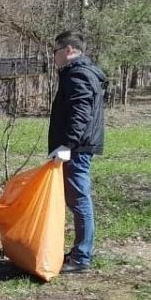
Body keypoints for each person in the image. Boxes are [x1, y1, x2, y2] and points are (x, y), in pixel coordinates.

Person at [48, 30, 107, 274]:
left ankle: (81, 257)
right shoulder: (81, 73)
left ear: (69, 50)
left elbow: (81, 113)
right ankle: (78, 252)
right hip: (77, 147)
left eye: (56, 51)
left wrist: (67, 145)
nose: (54, 57)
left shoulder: (78, 74)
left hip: (76, 149)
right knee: (77, 200)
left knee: (80, 200)